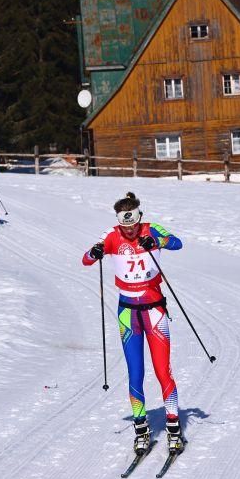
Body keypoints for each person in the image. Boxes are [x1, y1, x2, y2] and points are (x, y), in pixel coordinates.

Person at [82, 192, 185, 456]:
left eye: (134, 225)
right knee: (135, 373)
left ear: (139, 217)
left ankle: (174, 429)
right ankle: (141, 430)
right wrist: (94, 252)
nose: (130, 231)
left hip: (154, 312)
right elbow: (86, 259)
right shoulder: (111, 235)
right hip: (128, 314)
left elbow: (177, 243)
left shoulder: (151, 229)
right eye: (125, 226)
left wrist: (158, 241)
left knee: (163, 371)